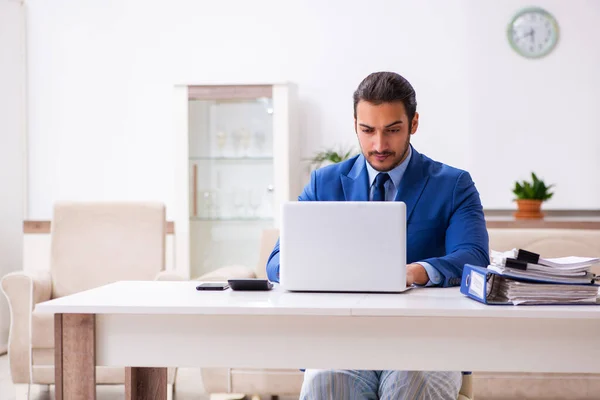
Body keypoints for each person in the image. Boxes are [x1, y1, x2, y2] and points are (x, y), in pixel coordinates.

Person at [266, 71, 490, 399]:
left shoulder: (453, 185)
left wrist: (416, 272)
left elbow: (473, 256)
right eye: (367, 130)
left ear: (413, 124)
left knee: (408, 385)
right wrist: (310, 271)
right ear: (355, 123)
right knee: (325, 385)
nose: (379, 145)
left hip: (427, 340)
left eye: (393, 130)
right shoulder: (323, 183)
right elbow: (276, 261)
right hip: (341, 338)